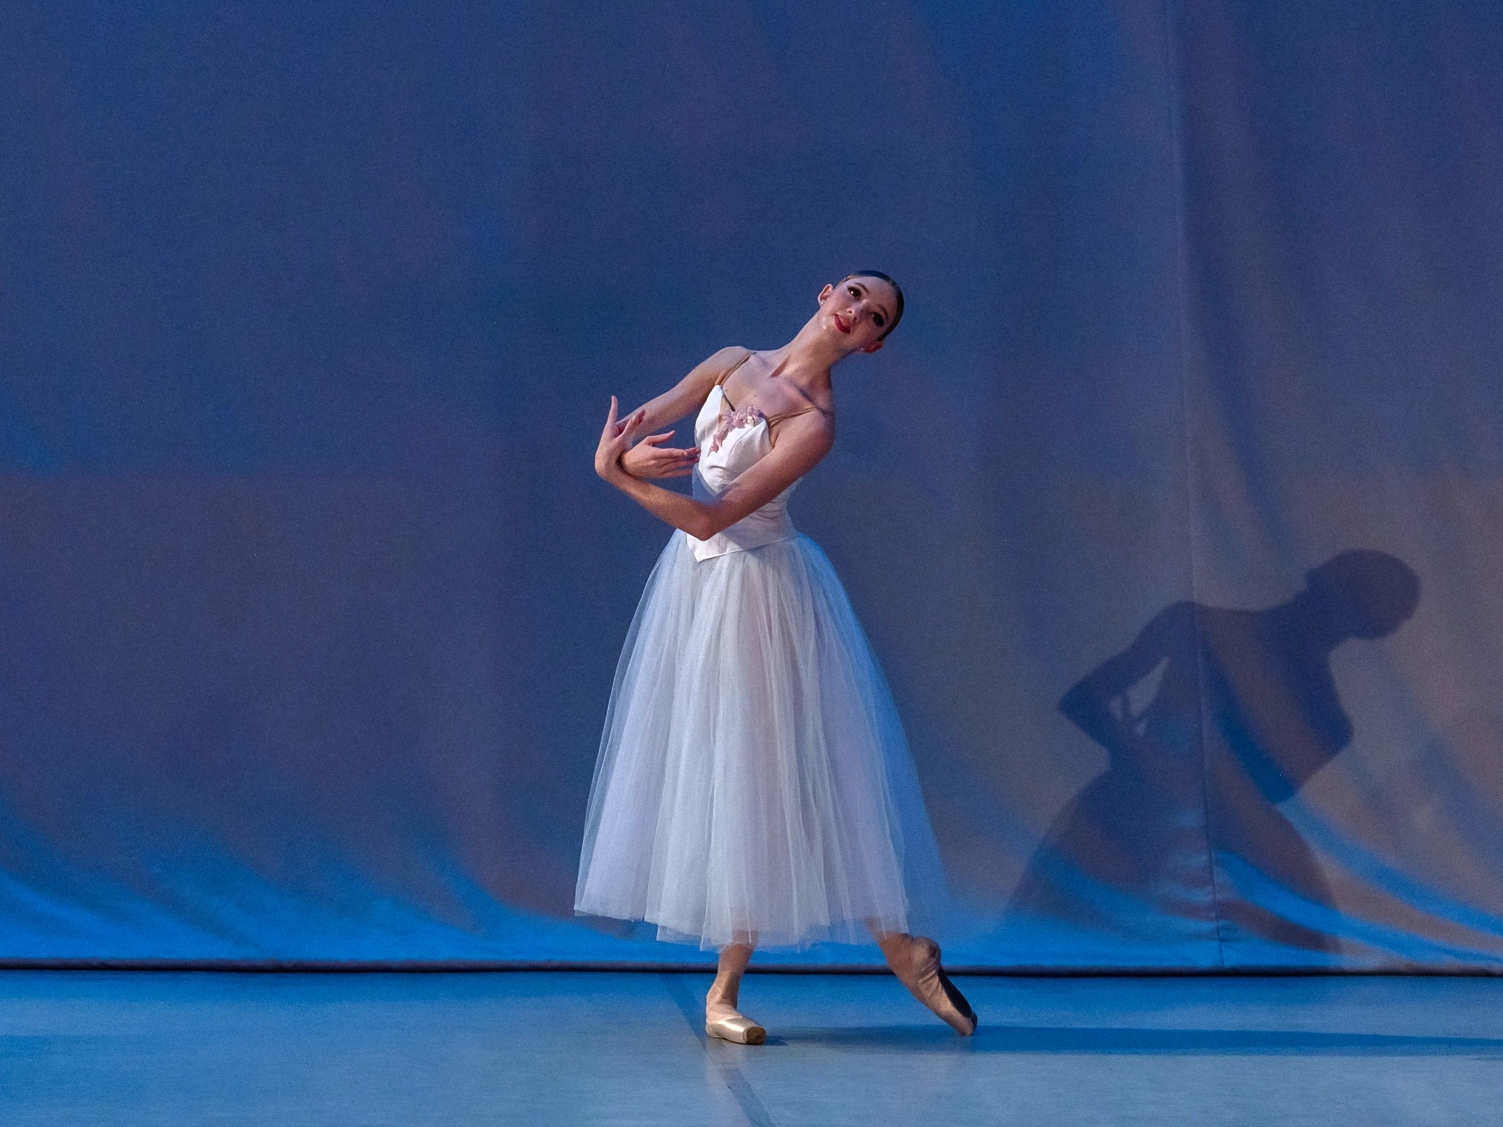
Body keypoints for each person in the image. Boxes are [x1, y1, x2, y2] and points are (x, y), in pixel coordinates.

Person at [576, 272, 976, 1044]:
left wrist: (615, 478)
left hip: (760, 593)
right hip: (696, 593)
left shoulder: (814, 424)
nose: (856, 312)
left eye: (874, 316)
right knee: (727, 772)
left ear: (872, 345)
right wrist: (624, 454)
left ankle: (857, 956)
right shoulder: (730, 361)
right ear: (826, 292)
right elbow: (638, 428)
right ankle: (879, 952)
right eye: (853, 294)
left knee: (773, 771)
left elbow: (712, 518)